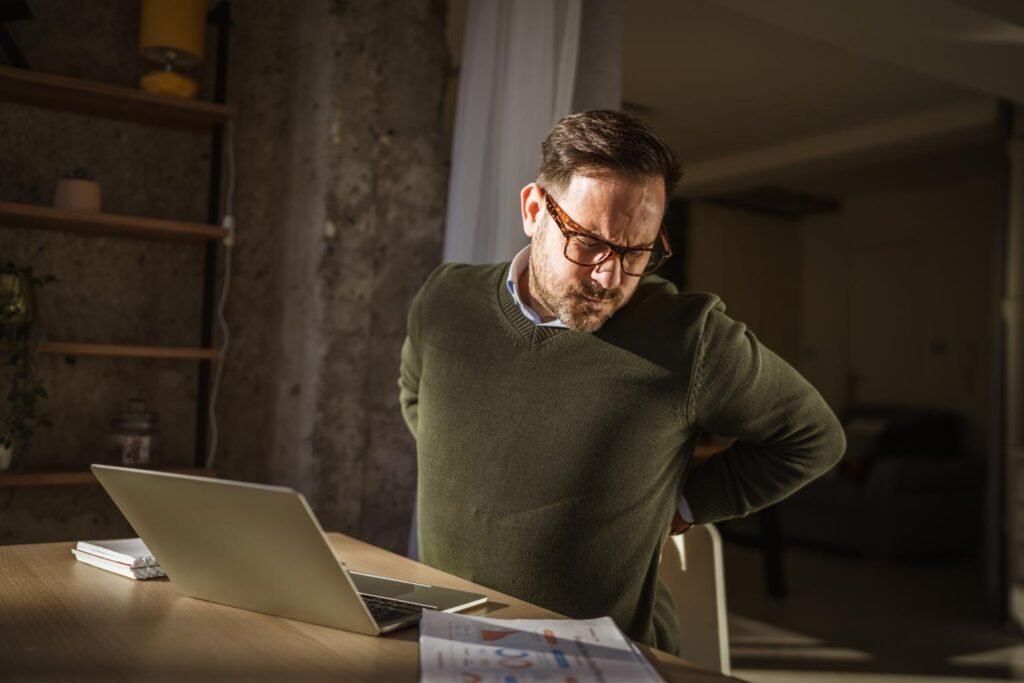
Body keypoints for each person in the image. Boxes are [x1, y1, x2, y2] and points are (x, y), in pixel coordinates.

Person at [399, 109, 845, 654]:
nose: (610, 278)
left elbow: (813, 437)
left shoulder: (690, 337)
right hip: (450, 635)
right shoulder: (445, 300)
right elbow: (416, 394)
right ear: (534, 209)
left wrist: (683, 505)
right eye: (589, 244)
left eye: (639, 253)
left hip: (602, 655)